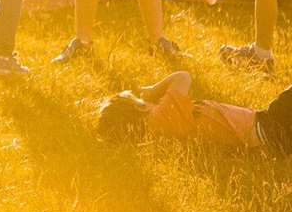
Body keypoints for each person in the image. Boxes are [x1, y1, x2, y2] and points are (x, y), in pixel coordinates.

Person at [95, 70, 292, 155]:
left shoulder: (159, 135)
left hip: (264, 137)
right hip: (264, 127)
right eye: (140, 100)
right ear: (139, 108)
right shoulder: (160, 118)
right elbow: (183, 77)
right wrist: (155, 89)